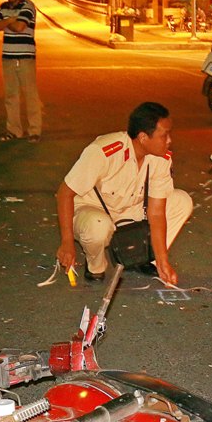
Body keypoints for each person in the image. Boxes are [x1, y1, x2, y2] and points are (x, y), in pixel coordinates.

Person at [55, 102, 192, 286]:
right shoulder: (104, 151)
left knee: (181, 201)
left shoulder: (161, 158)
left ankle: (143, 257)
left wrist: (163, 261)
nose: (169, 141)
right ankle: (96, 265)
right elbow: (65, 193)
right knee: (98, 225)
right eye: (164, 135)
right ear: (143, 137)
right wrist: (67, 242)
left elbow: (157, 212)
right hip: (92, 211)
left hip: (130, 209)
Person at [0, 0, 42, 143]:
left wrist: (6, 22)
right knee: (11, 96)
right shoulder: (3, 6)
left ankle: (34, 130)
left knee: (30, 94)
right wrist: (10, 20)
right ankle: (14, 130)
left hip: (25, 57)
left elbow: (20, 27)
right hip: (8, 56)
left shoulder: (27, 6)